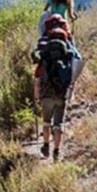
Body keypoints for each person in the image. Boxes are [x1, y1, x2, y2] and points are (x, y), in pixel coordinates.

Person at [32, 27, 76, 161]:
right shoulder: (67, 59)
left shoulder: (44, 61)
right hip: (61, 95)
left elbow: (37, 81)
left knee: (46, 122)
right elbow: (71, 79)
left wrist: (36, 97)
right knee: (59, 124)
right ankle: (57, 150)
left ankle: (46, 146)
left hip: (46, 95)